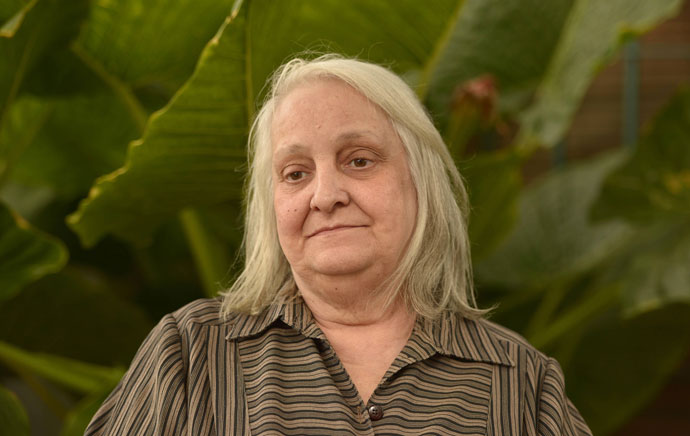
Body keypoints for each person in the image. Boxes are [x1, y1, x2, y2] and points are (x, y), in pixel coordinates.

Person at [85, 55, 592, 435]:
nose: (324, 197)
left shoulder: (519, 380)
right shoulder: (191, 355)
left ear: (420, 182)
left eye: (359, 160)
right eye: (295, 172)